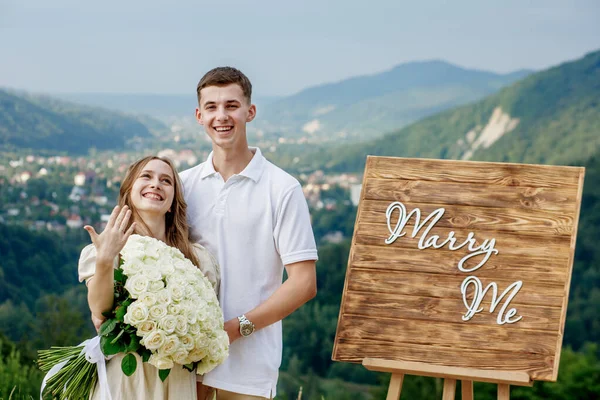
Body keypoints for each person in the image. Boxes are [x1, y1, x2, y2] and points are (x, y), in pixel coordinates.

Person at [180, 67, 318, 399]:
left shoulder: (282, 188)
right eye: (211, 107)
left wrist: (236, 329)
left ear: (250, 112)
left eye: (232, 105)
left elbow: (304, 283)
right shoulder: (182, 185)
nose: (221, 115)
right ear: (199, 115)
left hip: (249, 365)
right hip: (185, 358)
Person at [78, 155, 220, 400]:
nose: (156, 184)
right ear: (129, 192)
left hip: (177, 382)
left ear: (173, 202)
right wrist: (105, 259)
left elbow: (208, 329)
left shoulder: (198, 259)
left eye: (166, 181)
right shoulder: (107, 249)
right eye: (147, 176)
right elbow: (101, 313)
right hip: (124, 380)